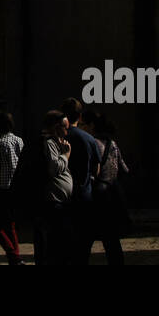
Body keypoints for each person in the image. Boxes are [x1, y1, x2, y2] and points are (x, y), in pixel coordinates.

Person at [59, 97, 102, 264]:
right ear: (80, 116)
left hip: (62, 198)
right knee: (83, 246)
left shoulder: (58, 138)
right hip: (84, 196)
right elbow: (96, 170)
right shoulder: (89, 139)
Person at [87, 110, 130, 265]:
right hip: (112, 194)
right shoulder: (113, 144)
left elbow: (93, 171)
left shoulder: (93, 143)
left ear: (92, 126)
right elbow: (124, 169)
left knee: (86, 238)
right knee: (111, 240)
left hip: (98, 195)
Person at [35, 110, 73, 265]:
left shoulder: (55, 142)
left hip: (58, 200)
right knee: (54, 242)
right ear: (56, 127)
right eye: (65, 128)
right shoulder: (49, 143)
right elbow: (54, 168)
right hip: (53, 201)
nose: (67, 132)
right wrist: (66, 155)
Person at [0, 112, 25, 265]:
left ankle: (12, 254)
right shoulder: (19, 141)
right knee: (10, 225)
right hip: (14, 188)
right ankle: (15, 255)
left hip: (0, 188)